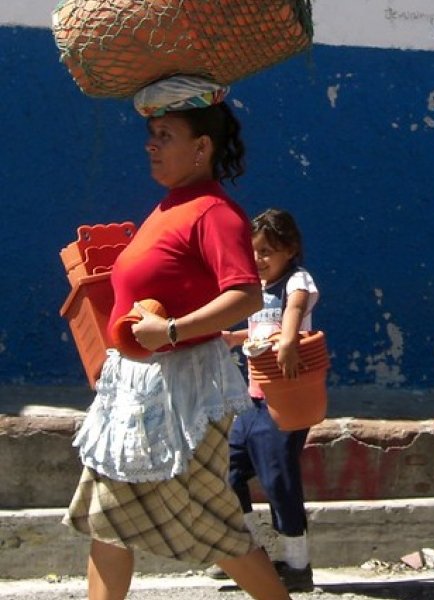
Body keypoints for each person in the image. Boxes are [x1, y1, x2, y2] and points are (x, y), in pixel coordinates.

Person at [62, 75, 296, 600]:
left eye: (165, 134)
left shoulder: (214, 213)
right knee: (112, 517)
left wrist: (168, 330)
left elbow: (245, 296)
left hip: (179, 396)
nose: (151, 144)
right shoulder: (169, 207)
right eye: (152, 133)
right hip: (139, 389)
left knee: (207, 521)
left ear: (202, 147)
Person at [207, 208, 319, 592]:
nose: (259, 259)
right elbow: (259, 331)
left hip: (284, 401)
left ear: (290, 249)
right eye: (253, 252)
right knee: (225, 471)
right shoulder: (258, 289)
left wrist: (288, 339)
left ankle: (296, 563)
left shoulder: (297, 281)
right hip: (252, 401)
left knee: (278, 478)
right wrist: (232, 338)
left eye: (267, 251)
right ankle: (246, 550)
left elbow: (294, 310)